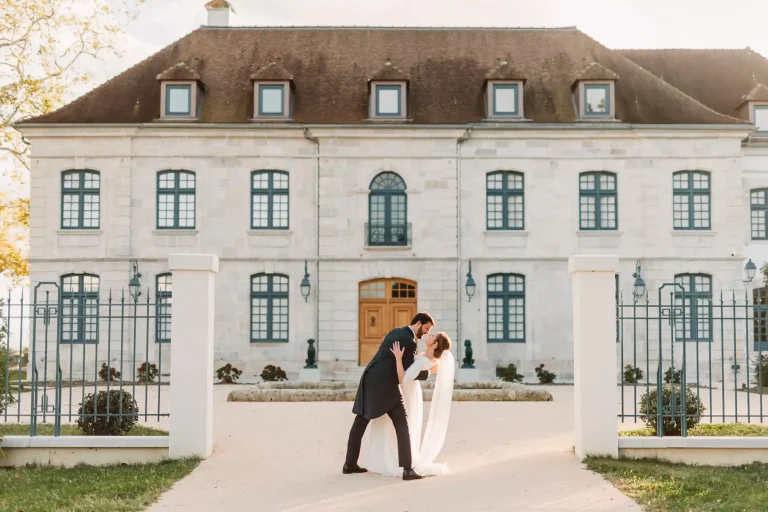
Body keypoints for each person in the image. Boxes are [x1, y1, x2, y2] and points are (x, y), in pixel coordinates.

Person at [343, 312, 436, 480]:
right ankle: (408, 470)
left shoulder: (396, 331)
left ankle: (349, 464)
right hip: (386, 384)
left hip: (370, 377)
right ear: (419, 323)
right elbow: (407, 375)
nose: (426, 333)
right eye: (426, 328)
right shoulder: (409, 340)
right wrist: (429, 372)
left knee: (360, 421)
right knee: (402, 424)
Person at [366, 332, 454, 477]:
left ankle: (394, 460)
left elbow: (403, 379)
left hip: (406, 392)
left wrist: (398, 358)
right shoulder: (428, 358)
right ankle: (398, 458)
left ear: (436, 344)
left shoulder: (422, 361)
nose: (429, 334)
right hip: (412, 391)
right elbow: (422, 371)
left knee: (395, 426)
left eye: (433, 335)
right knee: (399, 426)